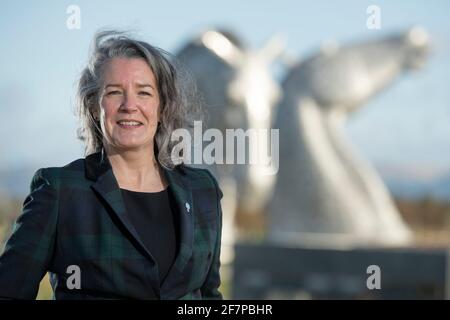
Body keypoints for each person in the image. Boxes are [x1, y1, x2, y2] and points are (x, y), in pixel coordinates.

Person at [0, 30, 223, 300]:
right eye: (115, 92)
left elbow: (209, 295)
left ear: (162, 107)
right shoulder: (60, 191)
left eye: (144, 93)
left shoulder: (202, 190)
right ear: (95, 106)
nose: (130, 105)